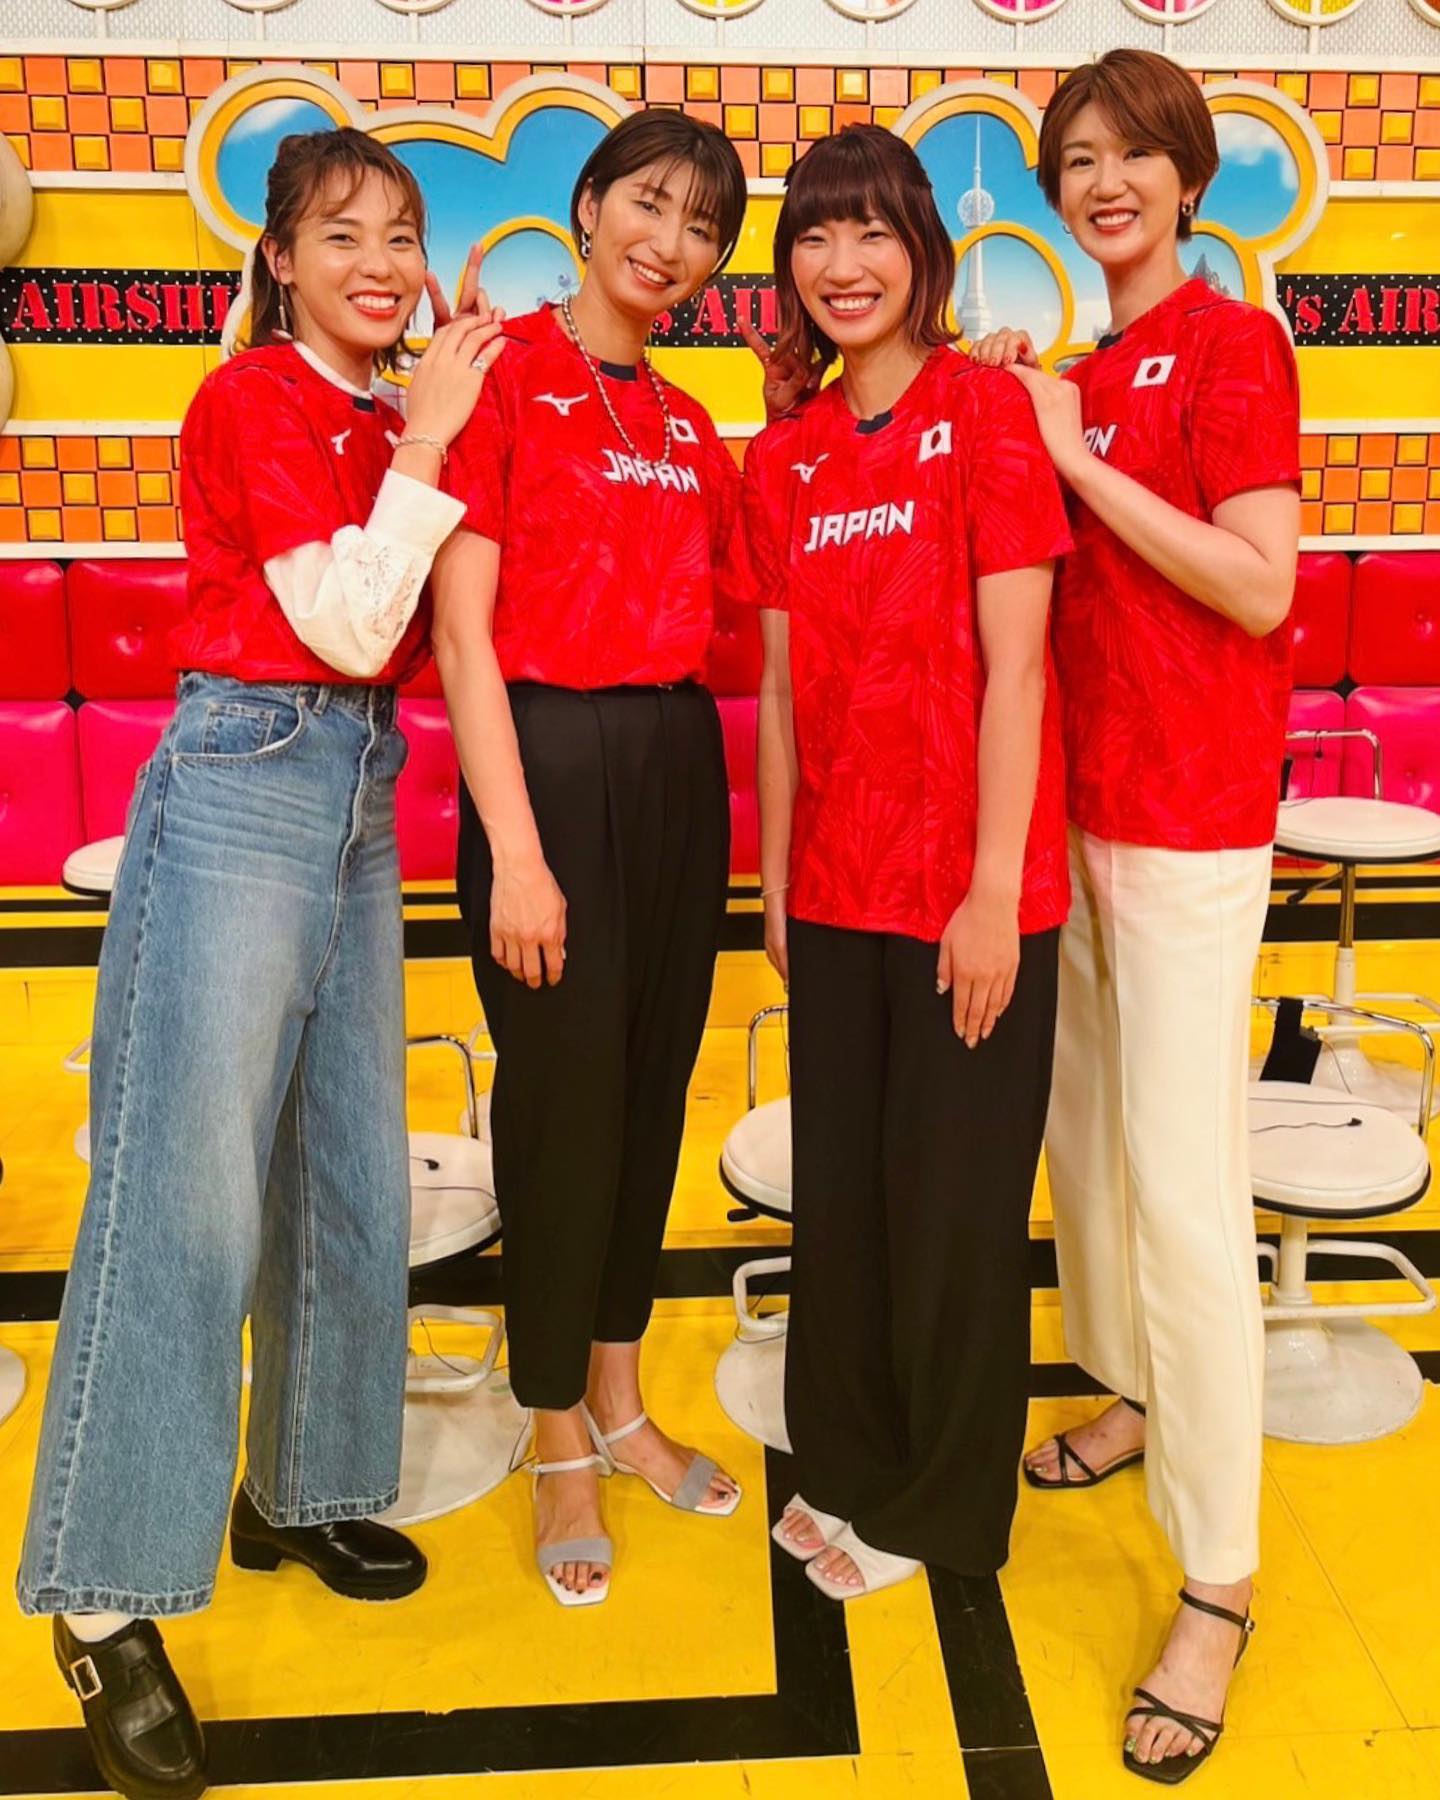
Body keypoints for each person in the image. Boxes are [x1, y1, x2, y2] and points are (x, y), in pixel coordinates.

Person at [17, 128, 503, 1798]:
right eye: (341, 234)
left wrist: (435, 417)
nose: (380, 263)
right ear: (278, 258)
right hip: (244, 774)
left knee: (346, 1169)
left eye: (401, 236)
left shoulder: (380, 413)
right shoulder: (251, 399)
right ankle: (102, 1601)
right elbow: (352, 623)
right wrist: (432, 431)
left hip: (355, 785)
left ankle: (296, 1490)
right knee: (188, 1197)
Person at [972, 47, 1301, 1786]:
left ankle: (1220, 1580)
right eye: (1079, 160)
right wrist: (1036, 415)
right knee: (1087, 1151)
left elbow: (1259, 581)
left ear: (1188, 175)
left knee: (1182, 1190)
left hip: (1189, 821)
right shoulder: (1085, 370)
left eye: (1132, 155)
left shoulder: (1236, 345)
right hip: (1075, 815)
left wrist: (1076, 461)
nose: (1104, 184)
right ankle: (1123, 1389)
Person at [745, 124, 1071, 1603]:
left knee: (951, 1213)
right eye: (815, 236)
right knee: (849, 1204)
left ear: (923, 250)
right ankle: (849, 1462)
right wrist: (777, 880)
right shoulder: (786, 455)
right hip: (834, 889)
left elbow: (1020, 670)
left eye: (872, 231)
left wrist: (994, 892)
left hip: (966, 893)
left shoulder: (986, 412)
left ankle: (941, 1508)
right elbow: (779, 690)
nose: (844, 263)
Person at [432, 110, 749, 1608]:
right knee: (562, 1109)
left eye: (703, 225)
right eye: (649, 204)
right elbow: (461, 631)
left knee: (649, 1093)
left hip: (677, 761)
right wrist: (515, 848)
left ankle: (617, 1393)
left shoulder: (688, 423)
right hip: (546, 763)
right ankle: (554, 1420)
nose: (669, 243)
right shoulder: (502, 375)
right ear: (587, 206)